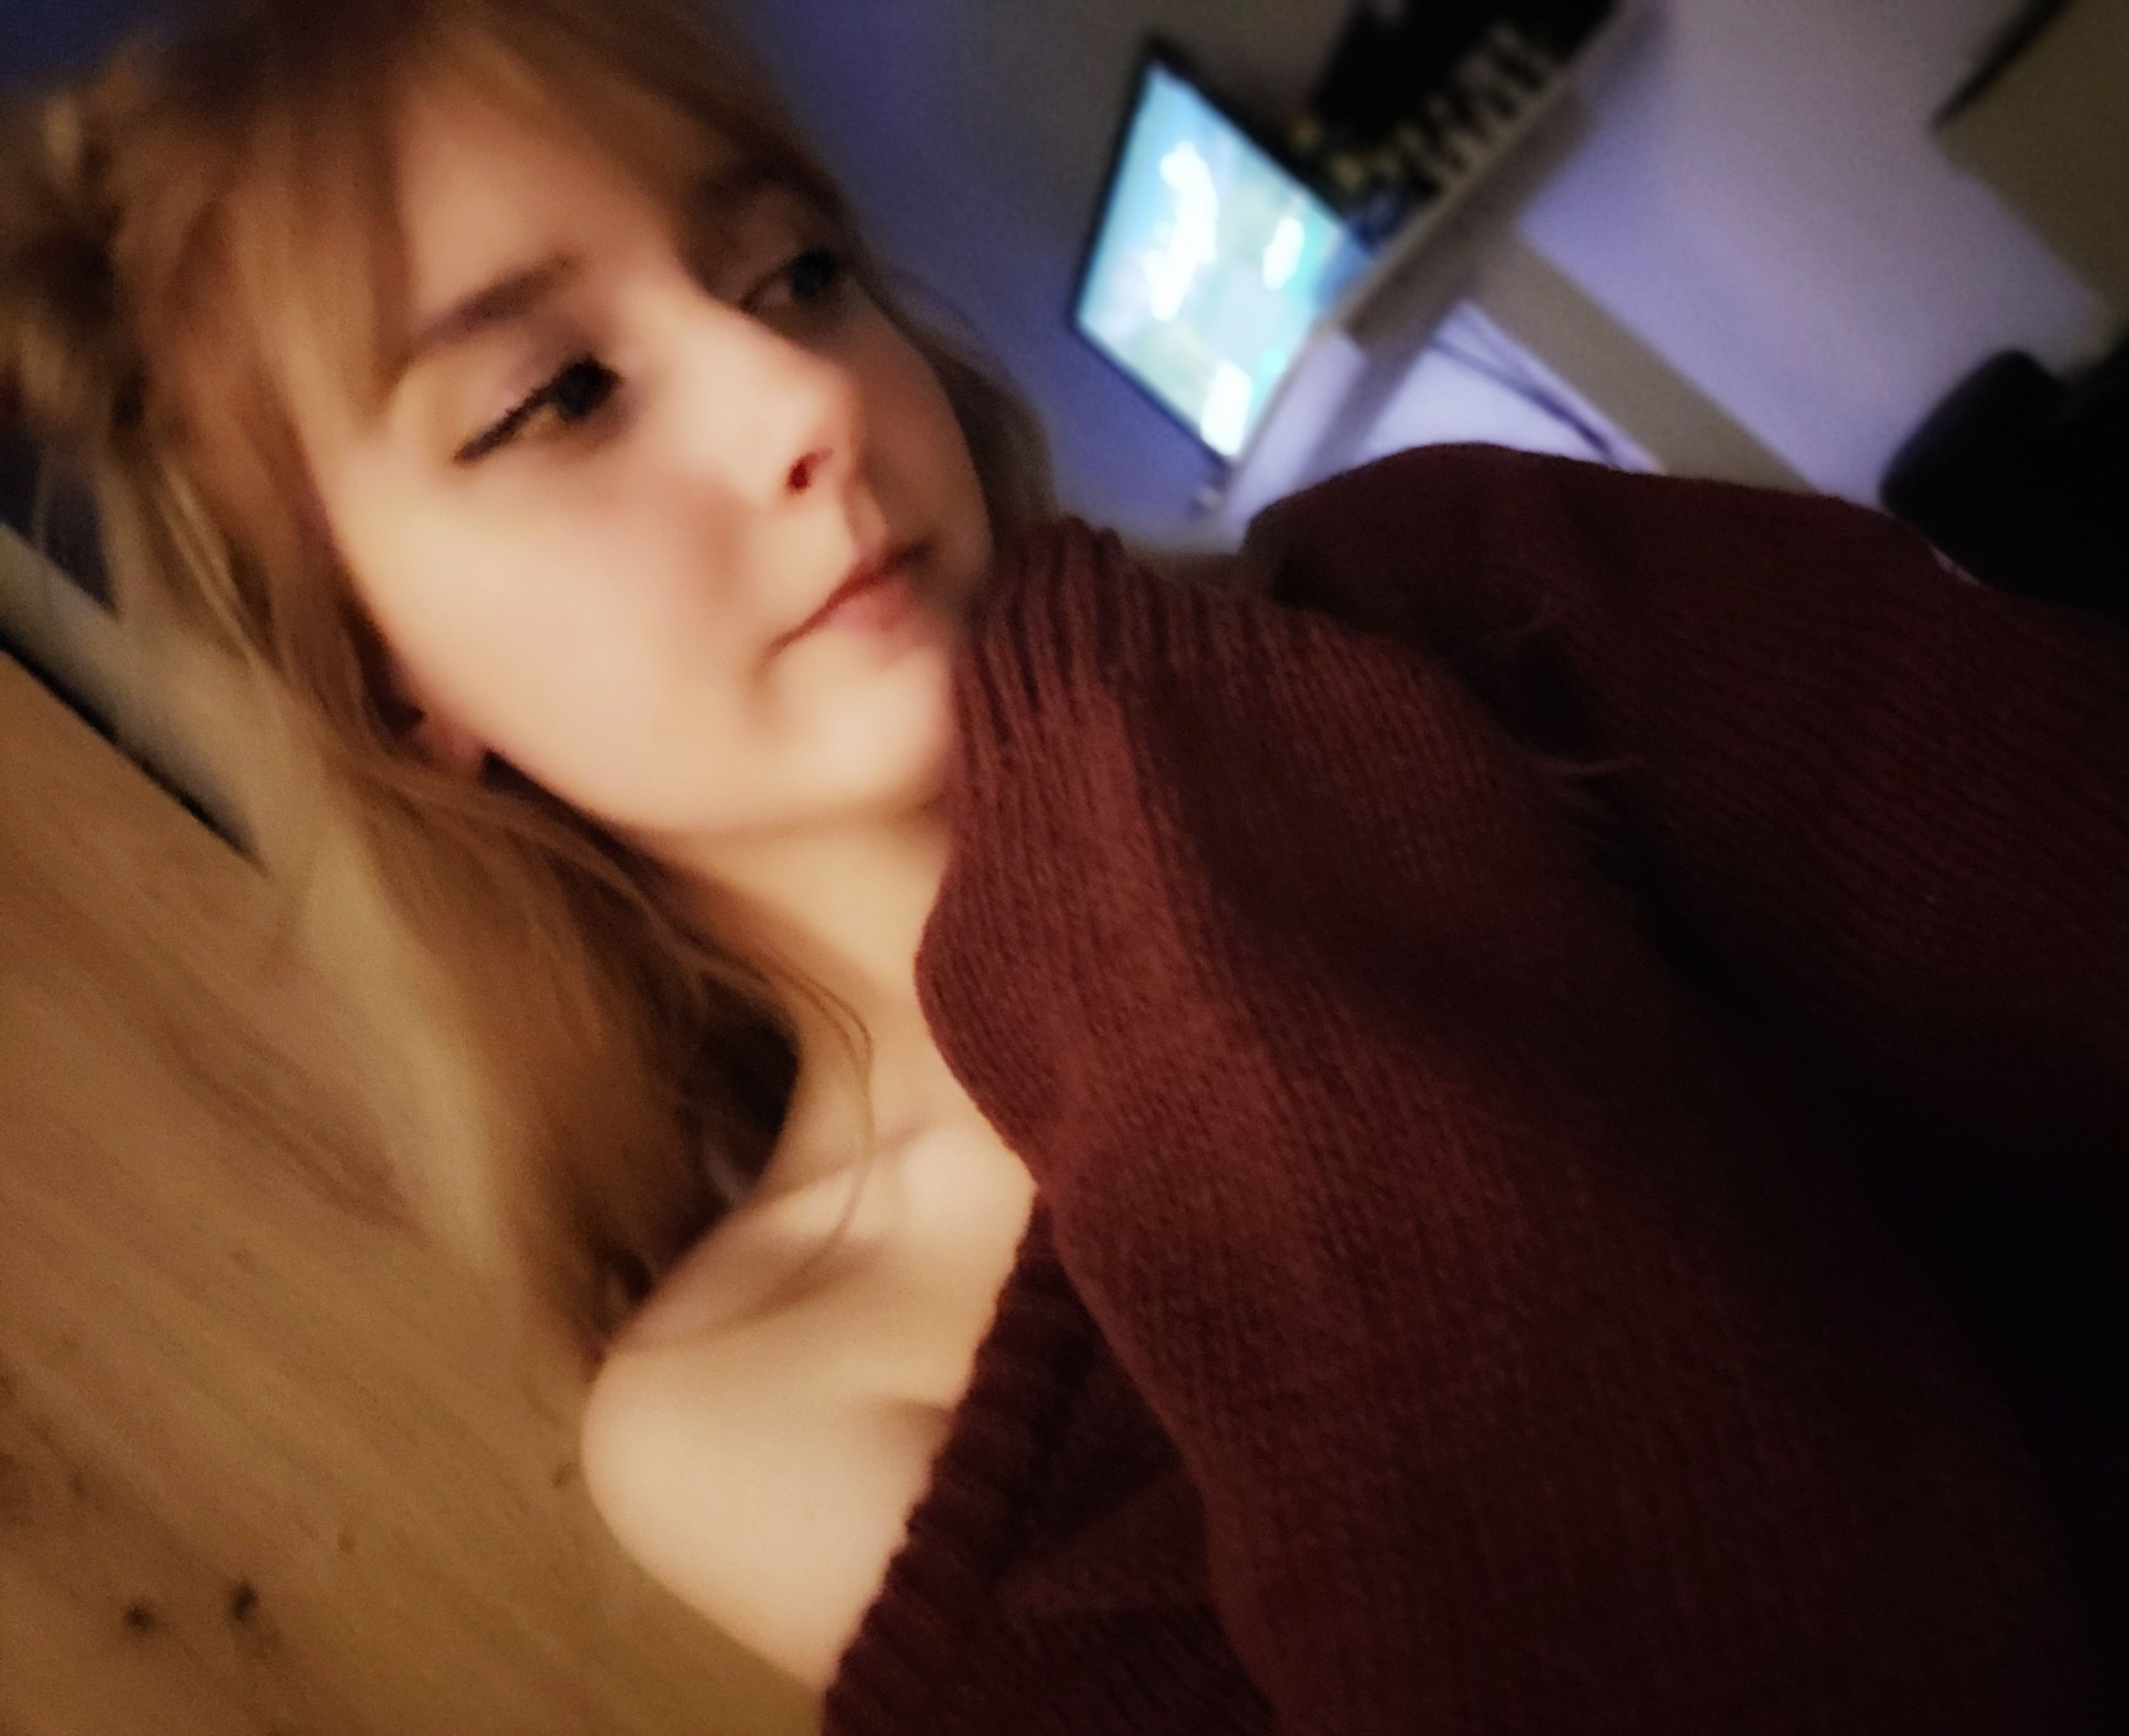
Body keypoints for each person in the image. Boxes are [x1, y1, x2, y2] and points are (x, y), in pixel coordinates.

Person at [3, 0, 2121, 1728]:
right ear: (385, 677)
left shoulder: (1462, 582)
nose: (798, 392)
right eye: (558, 393)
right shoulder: (753, 1413)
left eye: (796, 269)